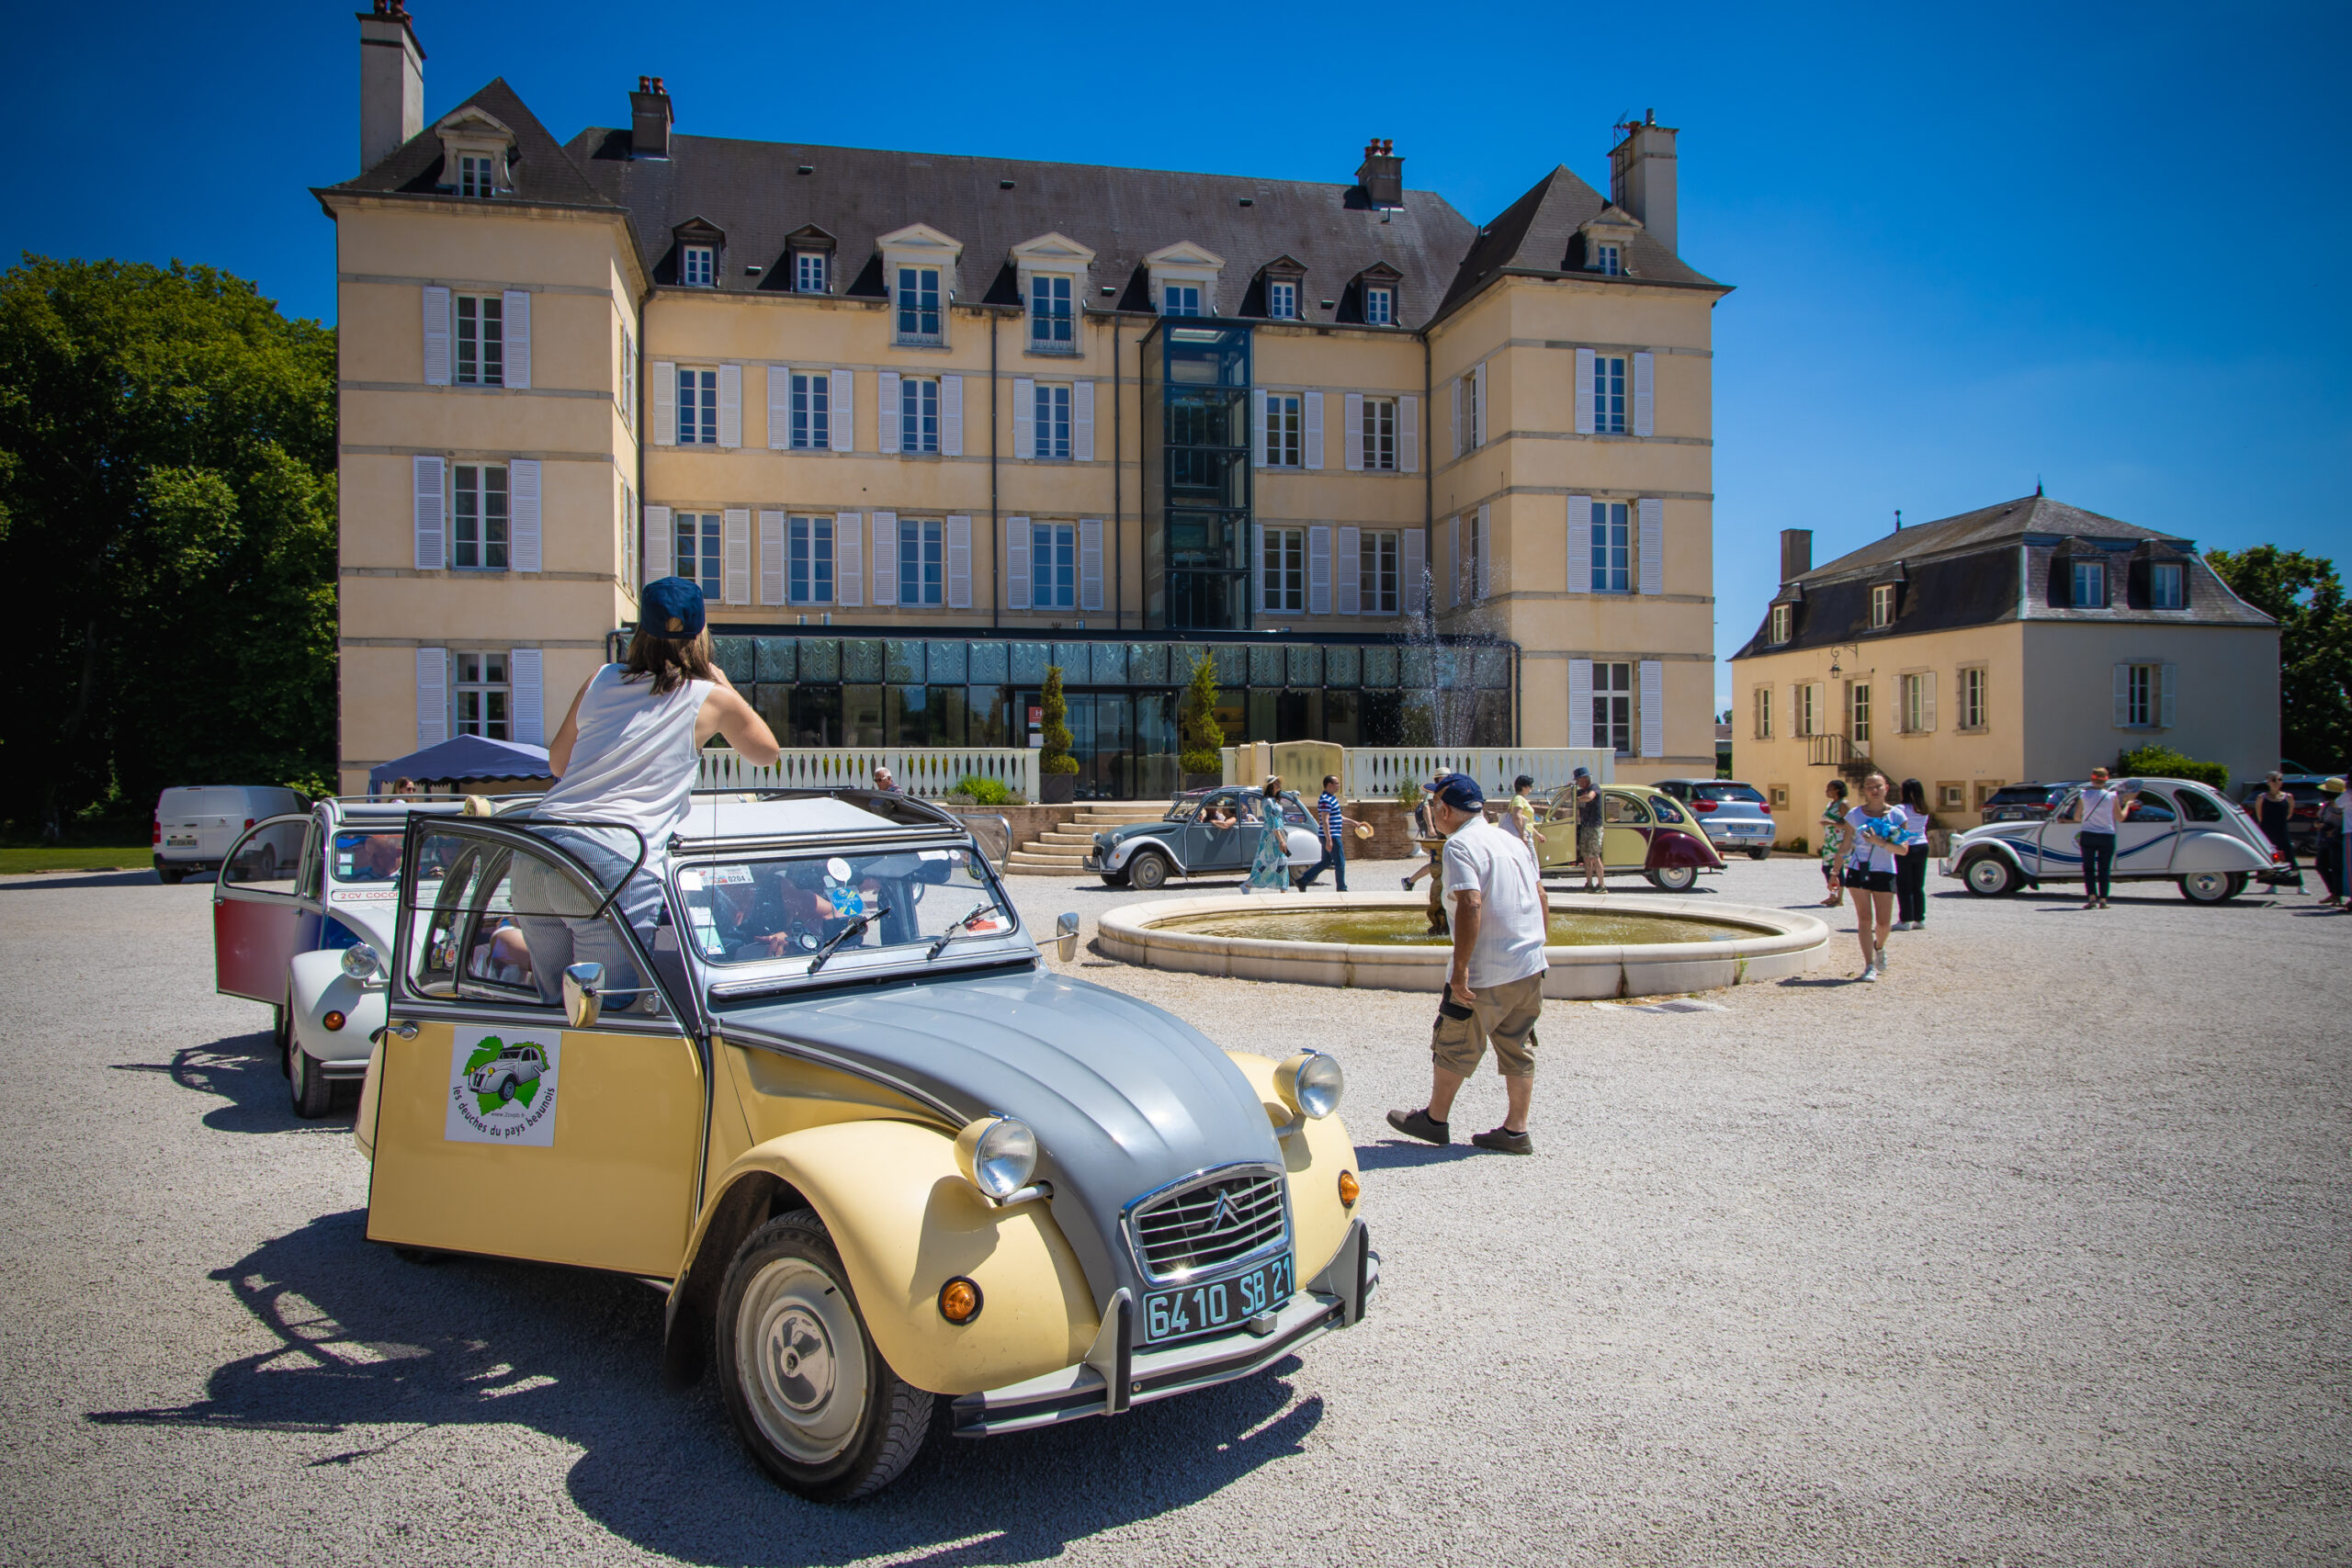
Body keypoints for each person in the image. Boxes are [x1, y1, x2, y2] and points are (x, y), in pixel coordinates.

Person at [516, 577, 782, 1008]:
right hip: (611, 856)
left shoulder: (600, 679)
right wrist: (725, 684)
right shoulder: (709, 696)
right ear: (700, 637)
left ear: (641, 631)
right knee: (605, 1011)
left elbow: (558, 765)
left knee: (556, 1005)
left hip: (538, 844)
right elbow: (766, 753)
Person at [1386, 773, 1550, 1155]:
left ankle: (1435, 1119)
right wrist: (1540, 948)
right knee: (1517, 1044)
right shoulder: (1511, 839)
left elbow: (1471, 903)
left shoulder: (1459, 846)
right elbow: (1540, 894)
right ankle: (1516, 1129)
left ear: (1444, 809)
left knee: (1454, 1040)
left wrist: (1460, 970)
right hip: (1528, 964)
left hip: (1487, 971)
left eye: (1433, 805)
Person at [1844, 771, 1916, 981]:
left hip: (1885, 870)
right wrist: (1835, 869)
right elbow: (1846, 844)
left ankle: (1879, 947)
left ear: (1886, 788)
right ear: (1864, 790)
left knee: (1884, 923)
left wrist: (1880, 843)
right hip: (1859, 869)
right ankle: (1868, 966)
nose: (1874, 791)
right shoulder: (1854, 815)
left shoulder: (1897, 816)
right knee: (1865, 919)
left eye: (1878, 786)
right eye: (1869, 787)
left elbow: (1903, 850)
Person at [2064, 766, 2132, 909]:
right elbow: (2120, 818)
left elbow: (2077, 817)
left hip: (2088, 834)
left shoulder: (2084, 795)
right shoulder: (2112, 796)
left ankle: (2091, 898)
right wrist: (2128, 806)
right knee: (2104, 869)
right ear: (2106, 779)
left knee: (2088, 868)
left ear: (2092, 779)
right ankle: (2104, 900)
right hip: (2107, 835)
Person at [1298, 774, 1366, 891]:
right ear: (1329, 785)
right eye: (1337, 783)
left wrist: (1354, 823)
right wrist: (1329, 840)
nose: (1338, 786)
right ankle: (1341, 887)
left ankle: (1303, 880)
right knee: (1340, 862)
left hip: (1329, 835)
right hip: (1331, 836)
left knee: (1326, 861)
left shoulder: (1332, 798)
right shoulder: (1325, 799)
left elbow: (1338, 817)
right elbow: (1325, 821)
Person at [1892, 778, 1932, 931]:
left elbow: (1895, 827)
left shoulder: (1900, 808)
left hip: (1906, 846)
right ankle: (1919, 918)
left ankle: (1906, 919)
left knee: (1904, 884)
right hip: (1922, 844)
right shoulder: (1924, 809)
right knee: (1918, 885)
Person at [1242, 777, 1293, 894]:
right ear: (1270, 786)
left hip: (1277, 835)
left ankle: (1283, 890)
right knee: (1267, 864)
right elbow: (1273, 822)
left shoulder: (1275, 801)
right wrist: (1281, 840)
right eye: (1275, 783)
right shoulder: (1268, 802)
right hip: (1271, 837)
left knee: (1282, 862)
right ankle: (1248, 884)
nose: (1278, 784)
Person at [2256, 773, 2301, 884]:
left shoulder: (2288, 797)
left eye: (2279, 780)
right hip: (2267, 830)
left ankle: (2297, 883)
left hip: (2282, 829)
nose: (2276, 783)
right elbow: (2259, 815)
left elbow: (2289, 814)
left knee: (2289, 855)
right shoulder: (2262, 797)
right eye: (2273, 780)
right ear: (2268, 782)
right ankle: (2271, 883)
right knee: (2269, 856)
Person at [1572, 767, 1605, 894]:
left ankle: (1602, 885)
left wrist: (1577, 798)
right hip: (1585, 827)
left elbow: (1589, 797)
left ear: (1585, 778)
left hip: (1594, 827)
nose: (1578, 783)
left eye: (1578, 780)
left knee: (1595, 856)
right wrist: (1569, 790)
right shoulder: (1581, 792)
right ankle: (1589, 883)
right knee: (1586, 857)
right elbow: (1568, 797)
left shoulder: (1594, 788)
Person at [1817, 779, 1849, 908]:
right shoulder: (1830, 804)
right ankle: (1832, 894)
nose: (1826, 791)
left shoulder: (1843, 804)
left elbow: (1848, 824)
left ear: (1837, 790)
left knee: (1837, 869)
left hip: (1839, 841)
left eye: (1829, 788)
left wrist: (1831, 823)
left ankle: (1839, 898)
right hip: (1830, 841)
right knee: (1826, 868)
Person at [2316, 778, 2346, 908]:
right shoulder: (2327, 805)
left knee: (2336, 868)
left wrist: (2335, 830)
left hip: (2337, 841)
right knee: (2321, 866)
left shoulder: (2342, 806)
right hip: (2324, 840)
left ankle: (2337, 895)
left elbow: (2346, 822)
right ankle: (2333, 892)